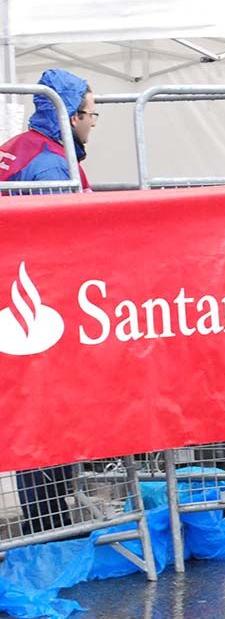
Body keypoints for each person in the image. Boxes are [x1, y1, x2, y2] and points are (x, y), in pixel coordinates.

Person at [3, 69, 96, 536]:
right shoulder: (50, 163)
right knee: (47, 416)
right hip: (45, 307)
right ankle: (51, 525)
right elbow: (62, 242)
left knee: (34, 414)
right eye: (92, 113)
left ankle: (51, 519)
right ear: (70, 113)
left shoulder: (21, 147)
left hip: (26, 305)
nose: (95, 121)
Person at [0, 68, 95, 191]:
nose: (93, 123)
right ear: (74, 118)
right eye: (91, 115)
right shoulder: (56, 166)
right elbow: (60, 209)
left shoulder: (18, 142)